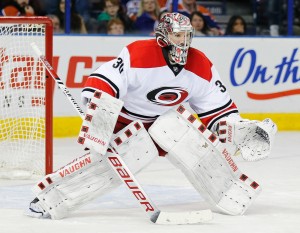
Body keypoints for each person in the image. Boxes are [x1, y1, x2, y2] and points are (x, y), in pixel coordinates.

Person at [26, 12, 277, 220]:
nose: (184, 41)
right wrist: (98, 110)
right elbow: (107, 80)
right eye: (177, 35)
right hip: (124, 122)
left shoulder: (201, 65)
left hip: (164, 120)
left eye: (187, 35)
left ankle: (229, 192)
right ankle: (53, 198)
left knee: (196, 145)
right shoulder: (138, 54)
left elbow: (217, 110)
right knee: (109, 165)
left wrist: (237, 129)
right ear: (163, 37)